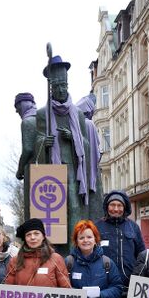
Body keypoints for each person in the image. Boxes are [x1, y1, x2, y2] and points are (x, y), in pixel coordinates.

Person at [35, 56, 103, 246]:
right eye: (57, 87)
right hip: (52, 170)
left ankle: (74, 248)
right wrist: (44, 142)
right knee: (54, 212)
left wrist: (73, 137)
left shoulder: (77, 114)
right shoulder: (43, 114)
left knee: (73, 207)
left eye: (64, 86)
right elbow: (37, 142)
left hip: (73, 169)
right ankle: (55, 249)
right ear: (51, 89)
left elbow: (86, 145)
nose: (61, 90)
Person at [95, 190, 145, 298]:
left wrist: (138, 277)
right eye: (112, 205)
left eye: (119, 205)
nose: (116, 209)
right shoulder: (97, 226)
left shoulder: (133, 227)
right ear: (107, 207)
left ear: (124, 207)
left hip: (128, 286)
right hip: (105, 286)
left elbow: (141, 255)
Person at [14, 92, 37, 220]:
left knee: (32, 206)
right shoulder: (44, 118)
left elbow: (28, 149)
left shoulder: (27, 121)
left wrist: (20, 170)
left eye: (17, 107)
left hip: (33, 170)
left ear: (23, 104)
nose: (17, 111)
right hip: (51, 170)